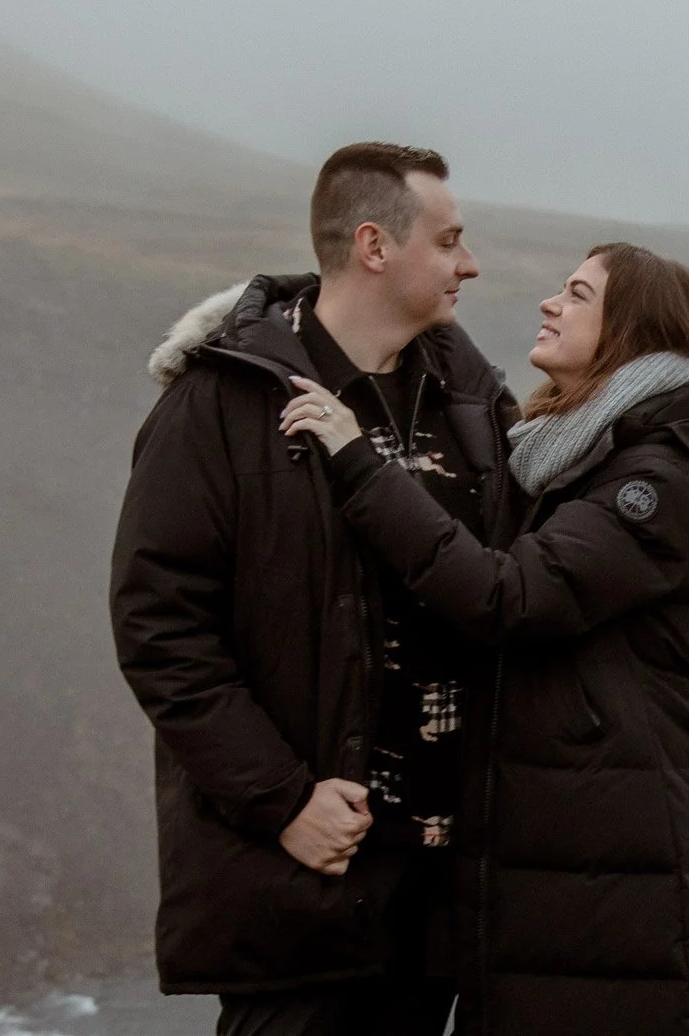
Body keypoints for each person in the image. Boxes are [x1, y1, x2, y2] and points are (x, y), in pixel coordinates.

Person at [280, 241, 689, 1036]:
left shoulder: (654, 481)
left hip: (618, 861)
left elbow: (508, 595)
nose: (549, 304)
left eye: (577, 293)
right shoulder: (575, 456)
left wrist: (358, 461)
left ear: (630, 330)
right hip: (570, 849)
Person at [110, 143, 514, 1036]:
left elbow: (521, 584)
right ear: (375, 245)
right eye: (449, 241)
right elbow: (161, 630)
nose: (470, 263)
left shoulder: (474, 401)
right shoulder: (219, 406)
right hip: (302, 892)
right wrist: (283, 802)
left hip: (446, 905)